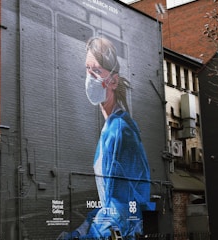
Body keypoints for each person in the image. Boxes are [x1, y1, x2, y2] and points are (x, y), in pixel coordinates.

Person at [57, 37, 155, 240]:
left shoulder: (119, 132)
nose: (90, 77)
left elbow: (121, 210)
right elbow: (108, 203)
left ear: (113, 80)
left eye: (97, 71)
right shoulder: (112, 126)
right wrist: (81, 231)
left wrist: (85, 237)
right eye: (88, 69)